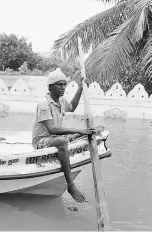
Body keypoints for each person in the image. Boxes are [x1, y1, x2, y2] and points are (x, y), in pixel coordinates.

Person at [32, 68, 95, 203]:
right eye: (59, 85)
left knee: (94, 130)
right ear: (50, 87)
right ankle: (70, 185)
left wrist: (80, 89)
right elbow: (52, 129)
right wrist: (77, 130)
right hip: (42, 140)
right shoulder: (44, 104)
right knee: (62, 140)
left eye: (64, 84)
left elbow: (71, 107)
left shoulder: (61, 101)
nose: (63, 87)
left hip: (54, 138)